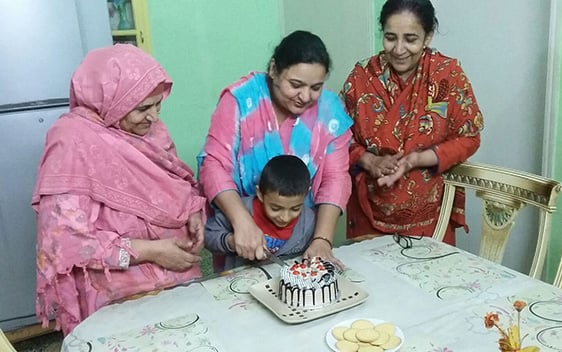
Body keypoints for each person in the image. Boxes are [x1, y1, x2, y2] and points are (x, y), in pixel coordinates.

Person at [32, 44, 206, 335]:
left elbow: (176, 181)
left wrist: (193, 212)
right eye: (142, 108)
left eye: (158, 105)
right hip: (119, 287)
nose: (153, 117)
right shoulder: (71, 143)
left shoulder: (152, 131)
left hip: (177, 269)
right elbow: (66, 242)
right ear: (111, 101)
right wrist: (153, 252)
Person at [198, 30, 352, 272]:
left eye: (316, 87)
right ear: (273, 69)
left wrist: (322, 239)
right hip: (243, 238)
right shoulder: (241, 99)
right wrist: (242, 222)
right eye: (296, 84)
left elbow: (336, 178)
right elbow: (215, 164)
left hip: (297, 241)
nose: (305, 96)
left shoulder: (330, 112)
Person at [341, 0, 484, 245]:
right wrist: (370, 160)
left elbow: (469, 137)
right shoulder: (361, 77)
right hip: (368, 213)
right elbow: (338, 138)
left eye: (410, 39)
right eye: (390, 38)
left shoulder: (446, 75)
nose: (398, 49)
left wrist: (416, 159)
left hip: (431, 219)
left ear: (427, 37)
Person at [204, 155, 316, 270]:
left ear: (306, 193)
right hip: (239, 283)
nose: (285, 217)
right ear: (260, 194)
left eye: (295, 209)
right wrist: (232, 242)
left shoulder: (308, 221)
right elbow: (207, 236)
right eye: (276, 208)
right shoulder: (241, 209)